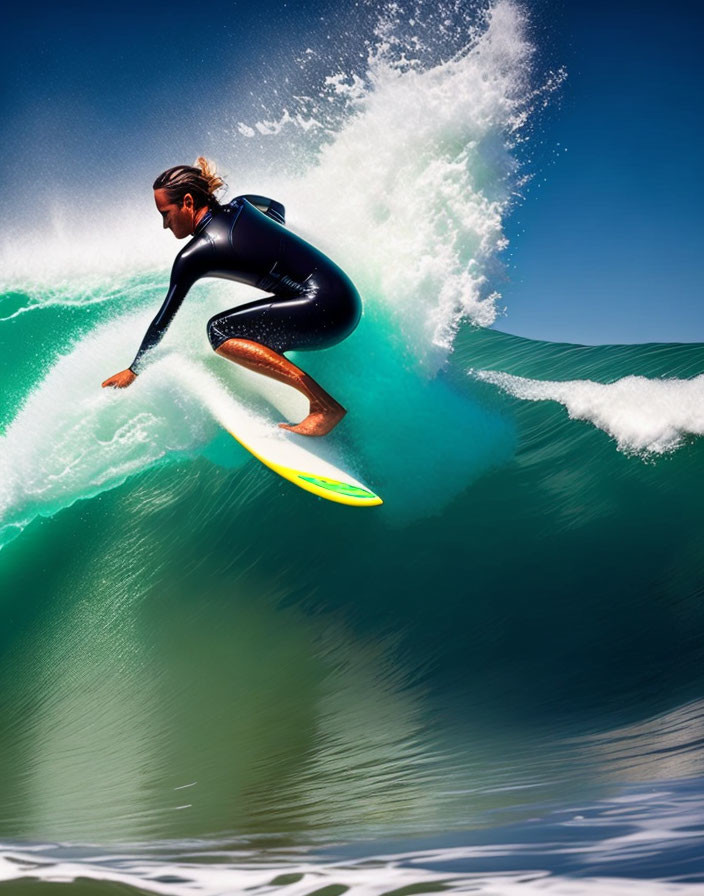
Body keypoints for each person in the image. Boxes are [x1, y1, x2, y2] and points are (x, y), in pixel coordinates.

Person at [102, 158, 361, 436]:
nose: (165, 224)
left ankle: (323, 406)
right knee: (254, 328)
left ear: (188, 202)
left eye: (166, 213)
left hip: (326, 312)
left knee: (219, 331)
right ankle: (315, 398)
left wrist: (134, 370)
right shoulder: (243, 204)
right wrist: (269, 238)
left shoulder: (194, 255)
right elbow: (277, 209)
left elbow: (163, 319)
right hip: (346, 299)